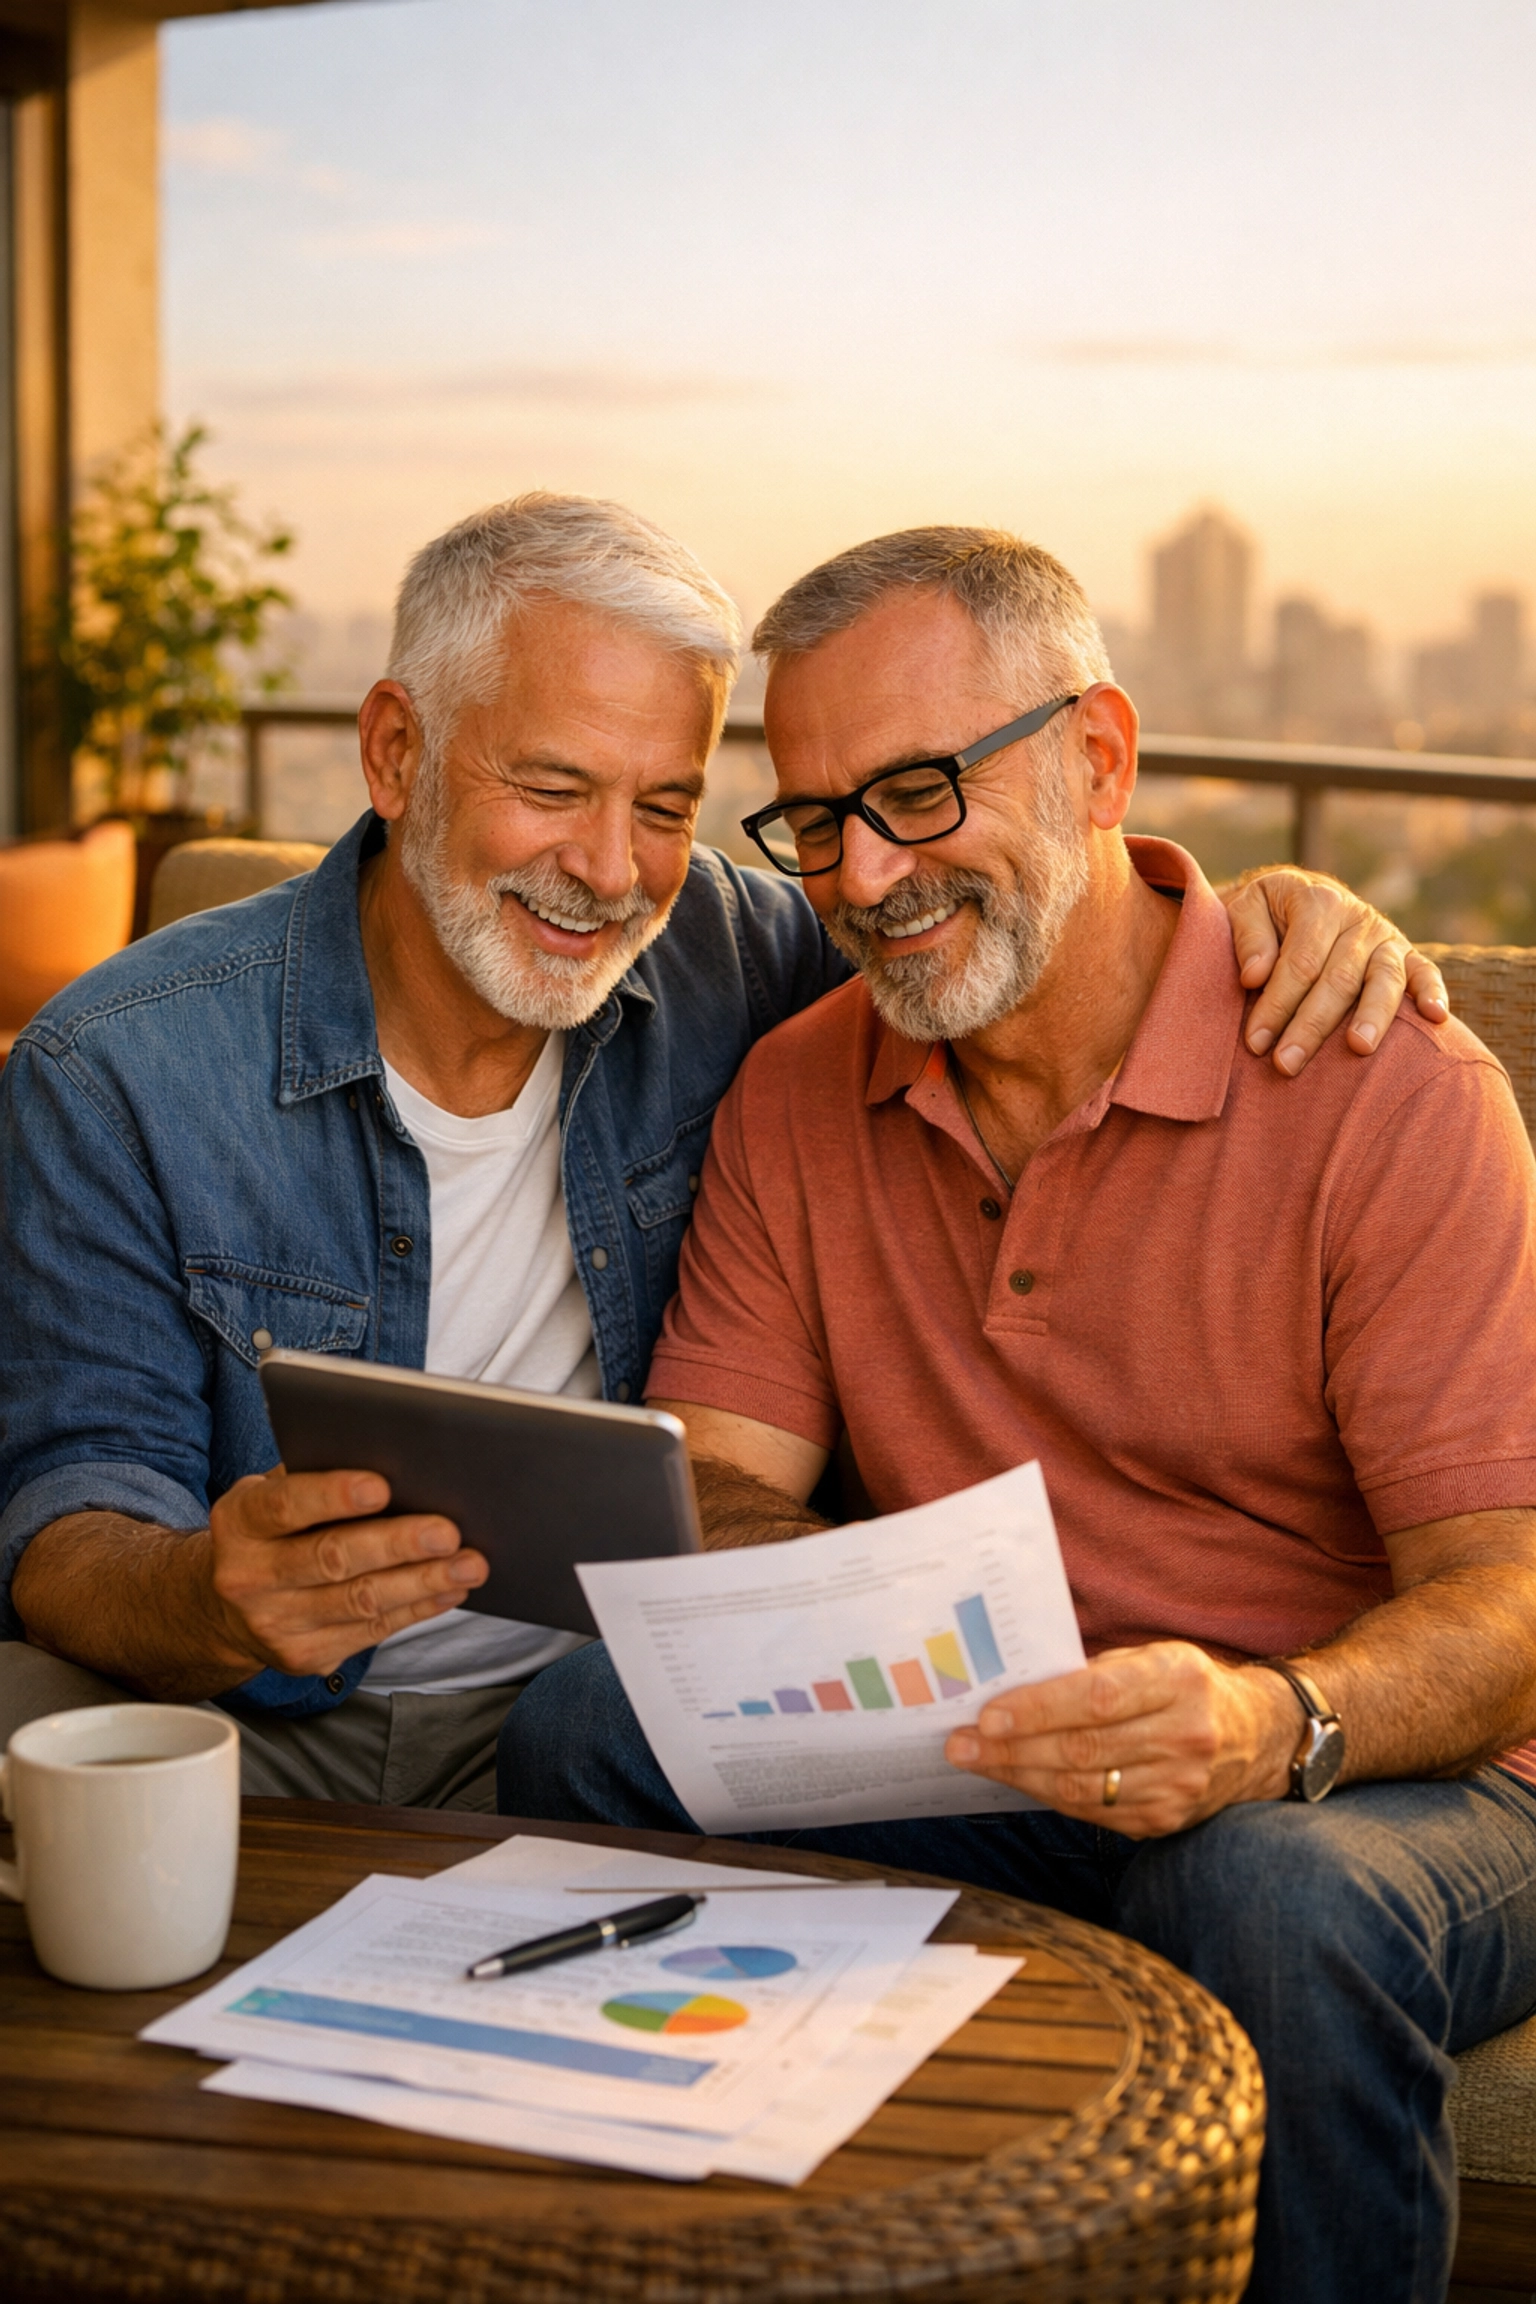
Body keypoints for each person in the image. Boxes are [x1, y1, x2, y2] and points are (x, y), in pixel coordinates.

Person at [0, 496, 1439, 1814]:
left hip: (611, 1710)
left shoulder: (743, 951)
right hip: (245, 1713)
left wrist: (1256, 914)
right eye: (554, 786)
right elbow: (67, 1513)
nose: (611, 870)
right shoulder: (119, 1068)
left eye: (669, 806)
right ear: (394, 754)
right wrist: (205, 1595)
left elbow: (992, 897)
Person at [497, 525, 1536, 2302]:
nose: (866, 872)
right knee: (595, 1721)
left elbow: (1509, 1603)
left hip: (1376, 1771)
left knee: (1264, 1896)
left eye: (917, 791)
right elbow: (723, 1500)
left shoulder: (1381, 1087)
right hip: (996, 1738)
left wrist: (1267, 1721)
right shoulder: (799, 1092)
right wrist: (926, 1652)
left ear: (1099, 755)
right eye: (816, 819)